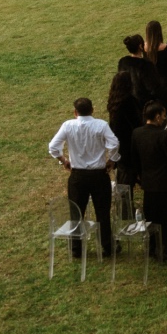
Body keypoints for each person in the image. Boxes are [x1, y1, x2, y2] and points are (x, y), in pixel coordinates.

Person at [48, 97, 119, 258]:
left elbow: (53, 147)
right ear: (92, 110)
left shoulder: (68, 125)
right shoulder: (101, 125)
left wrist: (64, 160)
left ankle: (76, 248)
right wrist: (112, 160)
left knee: (76, 212)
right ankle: (107, 246)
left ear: (75, 112)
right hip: (99, 175)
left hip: (78, 175)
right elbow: (114, 143)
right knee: (102, 211)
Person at [130, 101, 167, 261]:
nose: (164, 119)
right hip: (166, 185)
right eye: (163, 116)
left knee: (153, 219)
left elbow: (135, 160)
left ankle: (155, 247)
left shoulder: (137, 133)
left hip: (149, 184)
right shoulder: (164, 136)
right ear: (156, 117)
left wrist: (141, 177)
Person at [105, 71, 141, 188]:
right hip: (129, 146)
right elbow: (137, 123)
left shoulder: (114, 101)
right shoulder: (129, 102)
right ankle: (126, 205)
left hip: (120, 145)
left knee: (124, 176)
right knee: (127, 180)